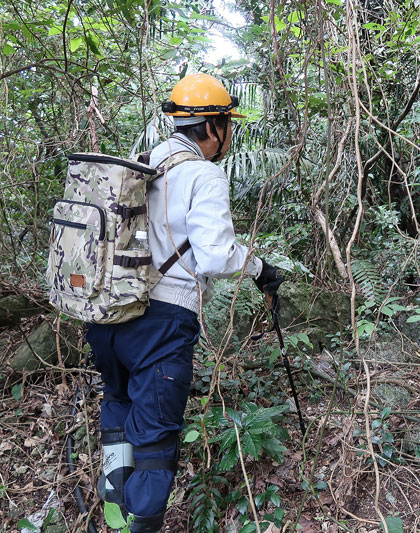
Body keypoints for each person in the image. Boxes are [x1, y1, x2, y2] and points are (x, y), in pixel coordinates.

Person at [86, 73, 282, 532]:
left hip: (106, 313)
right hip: (162, 321)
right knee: (155, 439)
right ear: (212, 128)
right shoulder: (204, 174)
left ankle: (114, 504)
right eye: (227, 124)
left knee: (117, 404)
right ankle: (140, 525)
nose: (228, 134)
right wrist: (258, 268)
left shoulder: (136, 166)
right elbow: (214, 255)